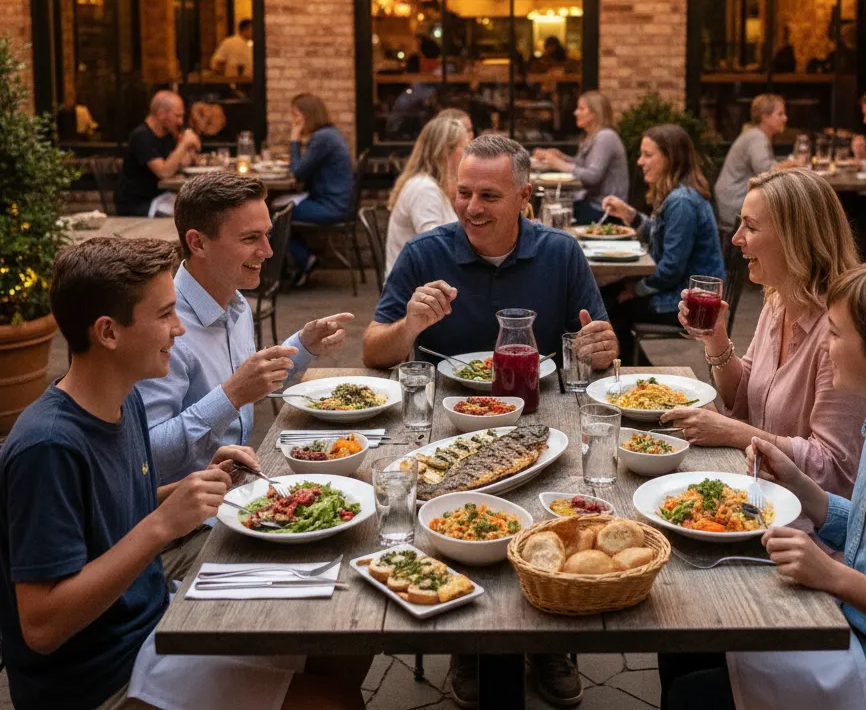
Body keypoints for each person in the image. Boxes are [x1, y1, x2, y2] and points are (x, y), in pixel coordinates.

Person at [0, 237, 368, 710]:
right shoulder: (48, 448)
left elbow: (106, 514)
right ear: (108, 333)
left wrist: (187, 490)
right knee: (332, 700)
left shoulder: (124, 398)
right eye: (164, 315)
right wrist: (162, 525)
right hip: (104, 679)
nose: (179, 329)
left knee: (344, 634)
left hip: (160, 622)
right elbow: (42, 626)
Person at [662, 260, 866, 710]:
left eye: (837, 333)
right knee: (683, 640)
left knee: (694, 695)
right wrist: (804, 488)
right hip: (857, 636)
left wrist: (833, 576)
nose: (825, 342)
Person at [364, 134, 617, 710]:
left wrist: (603, 346)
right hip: (450, 420)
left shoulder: (560, 252)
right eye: (463, 192)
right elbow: (374, 349)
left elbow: (598, 346)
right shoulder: (426, 254)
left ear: (524, 196)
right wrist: (409, 326)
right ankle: (469, 645)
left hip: (542, 413)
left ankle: (547, 636)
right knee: (448, 509)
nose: (471, 207)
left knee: (555, 501)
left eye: (489, 196)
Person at [135, 174, 354, 579]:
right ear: (198, 242)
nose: (268, 251)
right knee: (324, 565)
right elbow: (144, 456)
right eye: (251, 238)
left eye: (267, 235)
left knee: (352, 511)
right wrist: (230, 395)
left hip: (238, 491)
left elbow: (252, 383)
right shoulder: (165, 326)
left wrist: (302, 346)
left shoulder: (233, 301)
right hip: (176, 533)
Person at [665, 167, 866, 496]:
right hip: (759, 492)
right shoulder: (777, 303)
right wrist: (715, 337)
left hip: (807, 526)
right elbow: (746, 398)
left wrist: (732, 433)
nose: (736, 238)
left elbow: (834, 469)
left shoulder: (841, 330)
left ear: (795, 238)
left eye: (752, 226)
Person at [601, 124, 724, 360]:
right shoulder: (677, 195)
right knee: (606, 296)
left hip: (687, 301)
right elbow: (660, 235)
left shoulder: (682, 202)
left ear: (670, 159)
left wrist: (636, 290)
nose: (640, 162)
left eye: (647, 155)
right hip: (677, 289)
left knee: (608, 308)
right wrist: (629, 214)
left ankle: (632, 378)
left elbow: (670, 270)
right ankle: (636, 373)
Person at [385, 114, 469, 274]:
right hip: (415, 288)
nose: (469, 156)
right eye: (465, 148)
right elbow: (434, 247)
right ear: (446, 151)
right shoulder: (424, 189)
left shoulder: (433, 185)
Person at [287, 92, 356, 287]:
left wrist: (294, 139)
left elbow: (298, 172)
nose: (293, 120)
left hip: (331, 206)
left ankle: (304, 260)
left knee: (276, 216)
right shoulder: (328, 135)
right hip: (331, 201)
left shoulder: (323, 138)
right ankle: (299, 261)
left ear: (306, 115)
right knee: (280, 212)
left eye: (295, 115)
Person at [532, 91, 630, 224]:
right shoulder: (591, 137)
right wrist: (562, 157)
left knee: (551, 215)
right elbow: (582, 165)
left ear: (595, 113)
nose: (575, 112)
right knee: (550, 210)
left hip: (604, 210)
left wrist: (560, 164)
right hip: (592, 203)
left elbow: (593, 176)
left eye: (581, 108)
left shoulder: (605, 137)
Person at [115, 91, 201, 216]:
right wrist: (183, 144)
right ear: (161, 114)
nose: (180, 122)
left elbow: (179, 163)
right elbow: (164, 172)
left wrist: (191, 150)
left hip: (161, 197)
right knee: (187, 216)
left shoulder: (167, 135)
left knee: (198, 210)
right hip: (138, 204)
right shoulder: (141, 136)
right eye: (177, 116)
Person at [713, 93, 791, 229]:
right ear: (765, 117)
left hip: (732, 201)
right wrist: (792, 164)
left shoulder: (754, 134)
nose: (785, 118)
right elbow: (766, 174)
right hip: (736, 205)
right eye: (780, 114)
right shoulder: (757, 138)